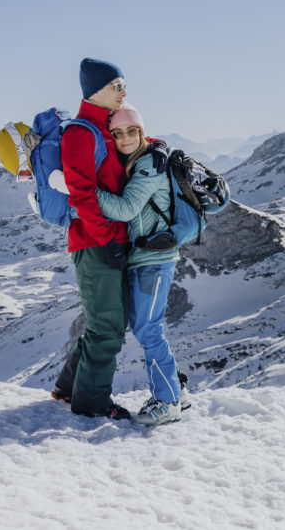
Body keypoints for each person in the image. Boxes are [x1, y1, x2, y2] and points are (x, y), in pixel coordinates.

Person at [50, 57, 167, 420]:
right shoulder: (80, 133)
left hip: (111, 241)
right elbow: (82, 194)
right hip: (94, 243)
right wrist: (106, 240)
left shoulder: (105, 128)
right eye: (117, 86)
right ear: (96, 89)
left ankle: (68, 388)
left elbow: (130, 143)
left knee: (103, 323)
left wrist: (156, 145)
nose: (123, 92)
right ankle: (92, 403)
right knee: (108, 329)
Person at [94, 103, 192, 426]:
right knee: (144, 325)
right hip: (144, 257)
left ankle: (167, 401)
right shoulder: (139, 160)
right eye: (118, 133)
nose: (124, 139)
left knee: (148, 328)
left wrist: (82, 192)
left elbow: (126, 208)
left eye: (131, 131)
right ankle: (175, 390)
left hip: (155, 259)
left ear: (141, 132)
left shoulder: (149, 163)